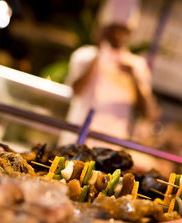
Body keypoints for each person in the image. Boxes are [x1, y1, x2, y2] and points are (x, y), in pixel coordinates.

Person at [59, 0, 159, 146]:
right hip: (77, 135)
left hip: (111, 143)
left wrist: (134, 78)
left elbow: (148, 113)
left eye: (122, 30)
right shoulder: (85, 56)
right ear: (103, 29)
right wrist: (98, 56)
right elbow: (76, 90)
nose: (117, 34)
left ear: (130, 32)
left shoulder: (136, 65)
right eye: (113, 29)